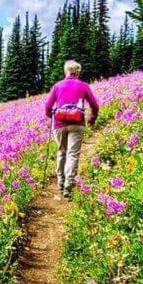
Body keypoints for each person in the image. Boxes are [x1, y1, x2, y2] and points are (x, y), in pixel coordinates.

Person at [44, 60, 99, 198]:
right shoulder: (84, 86)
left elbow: (47, 106)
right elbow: (95, 105)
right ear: (78, 72)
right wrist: (92, 118)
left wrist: (50, 117)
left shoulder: (57, 86)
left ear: (66, 71)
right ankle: (69, 185)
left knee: (62, 152)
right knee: (73, 154)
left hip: (59, 124)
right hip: (77, 123)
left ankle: (61, 184)